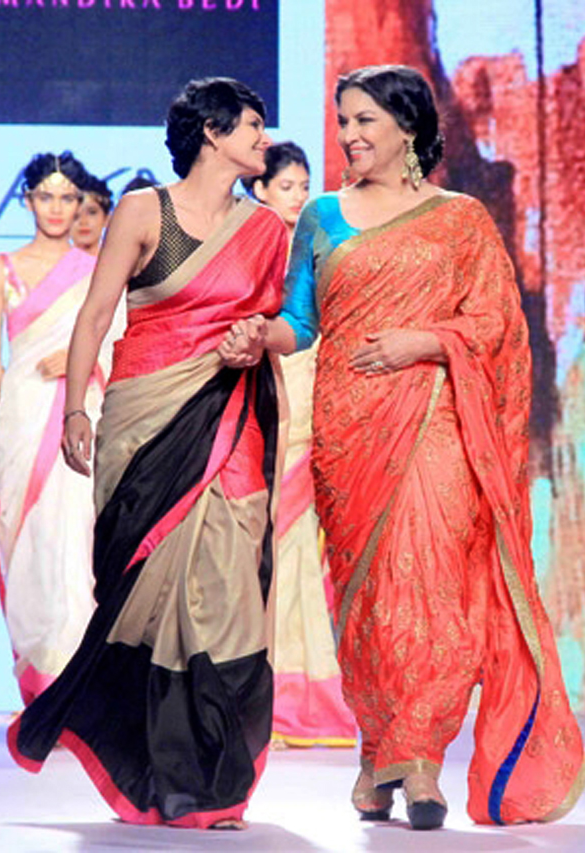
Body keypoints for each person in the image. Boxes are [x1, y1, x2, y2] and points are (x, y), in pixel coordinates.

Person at [227, 64, 585, 829]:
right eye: (344, 121)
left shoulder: (460, 219)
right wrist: (260, 335)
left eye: (365, 120)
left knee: (434, 590)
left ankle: (419, 758)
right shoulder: (322, 215)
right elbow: (301, 321)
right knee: (370, 601)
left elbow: (495, 323)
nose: (349, 135)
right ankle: (377, 747)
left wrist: (426, 340)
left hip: (437, 420)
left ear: (409, 127)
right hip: (349, 429)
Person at [7, 78, 290, 830]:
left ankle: (215, 779)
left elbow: (284, 324)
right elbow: (96, 313)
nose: (264, 139)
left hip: (229, 422)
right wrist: (75, 408)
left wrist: (258, 339)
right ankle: (154, 772)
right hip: (143, 425)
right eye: (252, 126)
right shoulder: (142, 211)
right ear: (212, 133)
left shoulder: (266, 230)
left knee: (229, 595)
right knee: (144, 602)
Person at [0, 154, 123, 704]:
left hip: (78, 418)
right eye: (45, 197)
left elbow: (118, 342)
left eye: (67, 198)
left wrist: (82, 360)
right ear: (26, 200)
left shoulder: (96, 269)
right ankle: (38, 689)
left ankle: (71, 694)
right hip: (19, 420)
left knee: (73, 549)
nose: (56, 208)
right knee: (24, 552)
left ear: (81, 205)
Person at [244, 142, 356, 748]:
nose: (297, 196)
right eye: (286, 186)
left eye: (303, 185)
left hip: (313, 403)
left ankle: (299, 695)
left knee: (298, 557)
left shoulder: (317, 244)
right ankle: (256, 692)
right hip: (261, 400)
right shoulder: (248, 245)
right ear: (259, 188)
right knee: (257, 552)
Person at [69, 169, 113, 256]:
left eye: (92, 212)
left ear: (107, 218)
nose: (83, 222)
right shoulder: (51, 262)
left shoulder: (122, 261)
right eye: (75, 215)